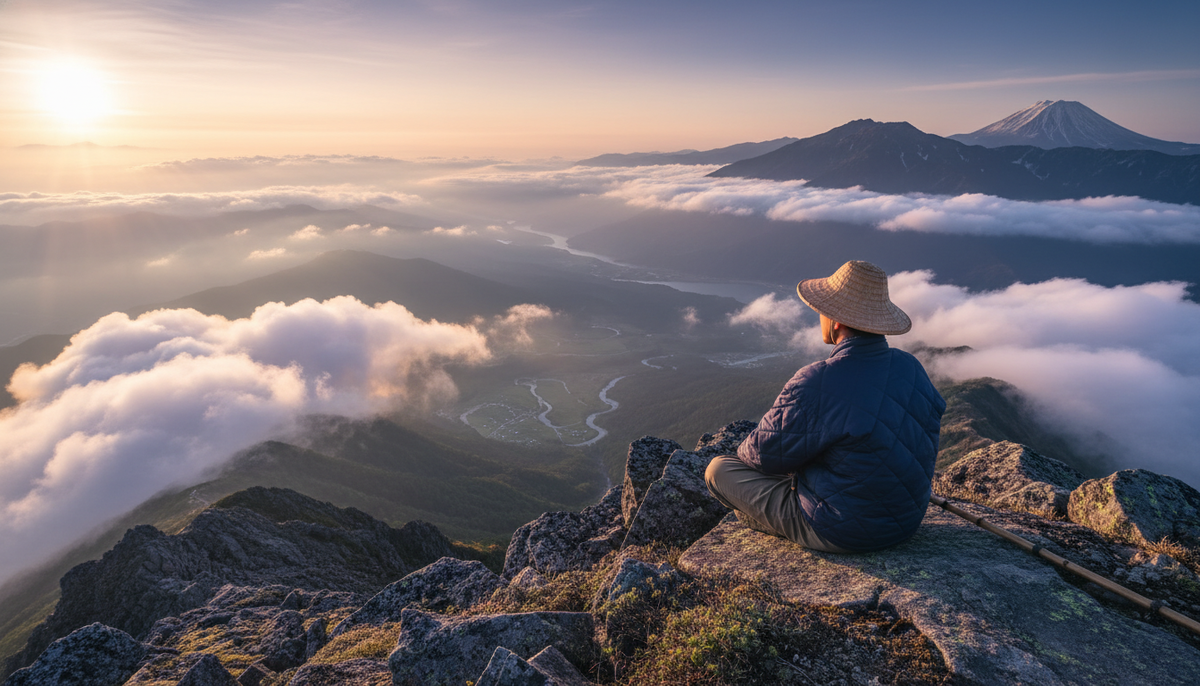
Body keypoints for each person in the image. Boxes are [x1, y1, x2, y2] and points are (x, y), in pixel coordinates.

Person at [705, 260, 945, 553]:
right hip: (906, 521)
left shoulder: (818, 379)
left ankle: (767, 522)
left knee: (718, 470)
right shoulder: (912, 367)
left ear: (837, 321)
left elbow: (762, 456)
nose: (819, 316)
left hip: (841, 529)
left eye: (822, 310)